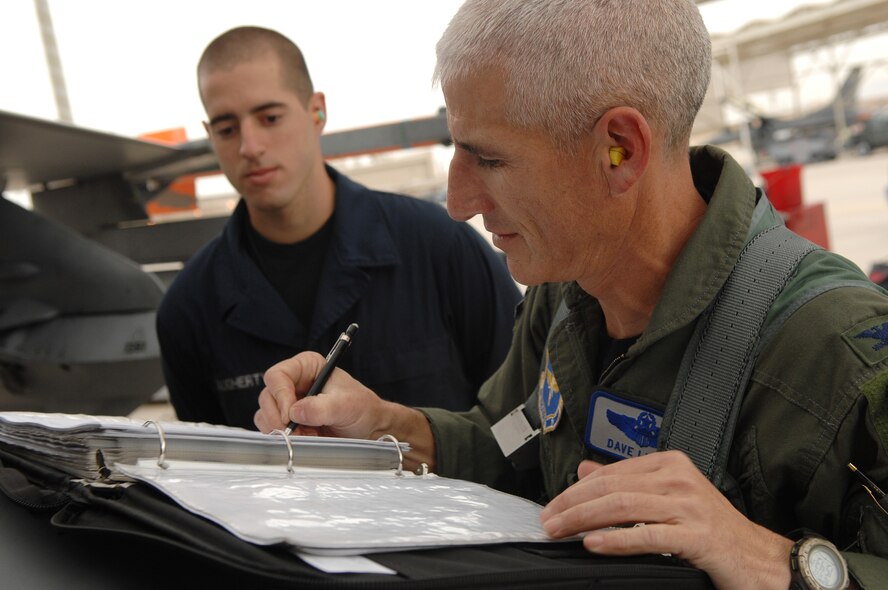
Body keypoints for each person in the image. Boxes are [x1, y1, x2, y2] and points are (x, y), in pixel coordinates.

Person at [255, 2, 888, 588]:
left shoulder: (837, 354)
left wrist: (765, 557)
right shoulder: (563, 298)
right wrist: (384, 431)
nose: (457, 203)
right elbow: (506, 447)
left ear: (621, 150)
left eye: (490, 160)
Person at [156, 26, 522, 430]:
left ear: (317, 112)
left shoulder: (438, 247)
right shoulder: (189, 308)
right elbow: (206, 474)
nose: (250, 146)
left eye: (270, 117)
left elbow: (523, 416)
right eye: (227, 129)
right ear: (210, 136)